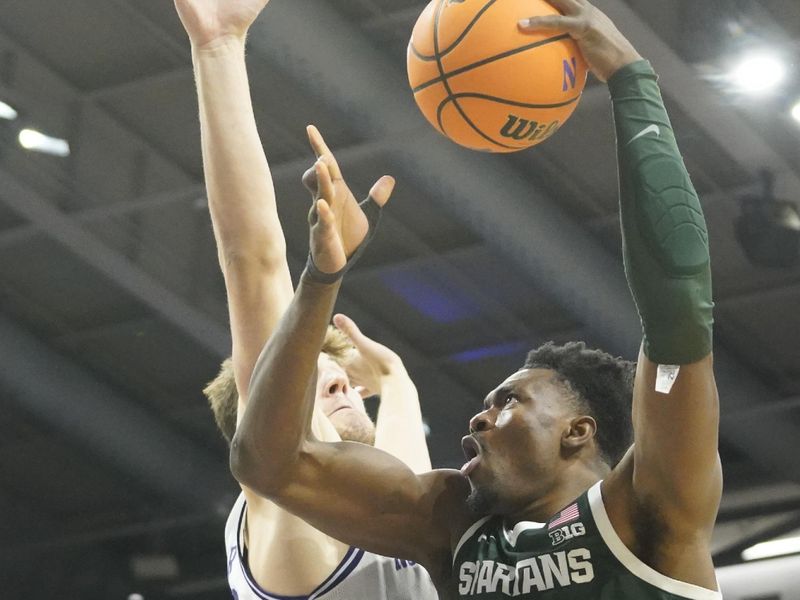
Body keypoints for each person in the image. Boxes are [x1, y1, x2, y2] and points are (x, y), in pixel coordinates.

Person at [230, 1, 723, 599]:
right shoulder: (451, 530)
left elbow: (676, 299)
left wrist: (629, 76)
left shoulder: (648, 507)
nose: (477, 417)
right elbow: (268, 462)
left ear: (577, 431)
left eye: (508, 401)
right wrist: (321, 278)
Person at [173, 0, 437, 597]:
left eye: (340, 378)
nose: (342, 385)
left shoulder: (394, 508)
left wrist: (391, 374)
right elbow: (253, 264)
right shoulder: (288, 518)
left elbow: (402, 443)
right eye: (315, 386)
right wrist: (218, 50)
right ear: (263, 420)